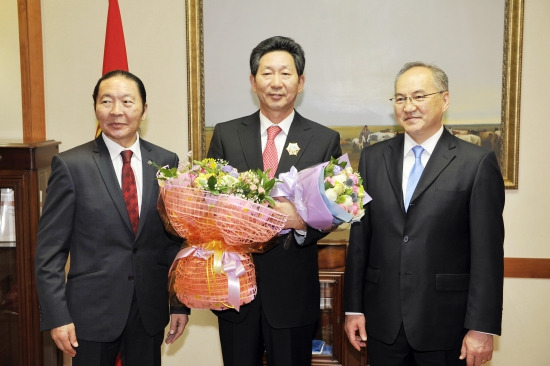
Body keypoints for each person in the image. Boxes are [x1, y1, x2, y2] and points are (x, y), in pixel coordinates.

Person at [344, 62, 505, 366]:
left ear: (444, 100)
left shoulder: (476, 162)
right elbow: (360, 238)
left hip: (446, 326)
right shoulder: (372, 159)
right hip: (383, 324)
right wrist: (354, 308)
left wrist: (482, 327)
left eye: (419, 96)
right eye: (400, 98)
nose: (409, 106)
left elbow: (487, 253)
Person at [35, 70, 189, 366]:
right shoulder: (70, 165)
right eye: (106, 101)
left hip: (148, 311)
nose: (116, 111)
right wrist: (57, 316)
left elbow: (173, 241)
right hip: (90, 314)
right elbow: (49, 252)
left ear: (144, 110)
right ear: (95, 108)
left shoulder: (166, 162)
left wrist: (178, 303)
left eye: (127, 102)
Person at [207, 36, 342, 366]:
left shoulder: (325, 139)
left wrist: (300, 222)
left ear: (301, 81)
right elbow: (207, 201)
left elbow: (339, 208)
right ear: (253, 82)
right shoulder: (226, 133)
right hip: (235, 289)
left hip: (292, 293)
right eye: (267, 74)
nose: (276, 82)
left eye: (286, 73)